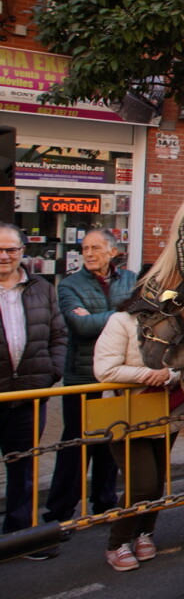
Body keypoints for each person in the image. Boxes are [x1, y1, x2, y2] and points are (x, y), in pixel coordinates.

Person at [45, 229, 136, 526]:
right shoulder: (69, 285)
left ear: (113, 252)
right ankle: (60, 514)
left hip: (118, 376)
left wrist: (103, 318)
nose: (88, 253)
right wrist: (123, 315)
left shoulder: (130, 279)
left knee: (110, 443)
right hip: (83, 378)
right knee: (75, 447)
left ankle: (104, 504)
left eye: (95, 247)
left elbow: (144, 315)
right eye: (85, 248)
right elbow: (80, 326)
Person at [92, 308, 184, 571]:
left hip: (166, 411)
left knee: (158, 479)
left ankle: (144, 532)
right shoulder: (120, 321)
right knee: (142, 482)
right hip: (126, 414)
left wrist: (168, 374)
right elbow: (104, 369)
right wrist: (147, 375)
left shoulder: (178, 318)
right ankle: (118, 543)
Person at [0, 222, 67, 559]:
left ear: (23, 252)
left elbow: (59, 334)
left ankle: (20, 536)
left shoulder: (42, 287)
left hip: (28, 394)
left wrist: (50, 372)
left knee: (23, 470)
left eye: (11, 249)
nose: (5, 256)